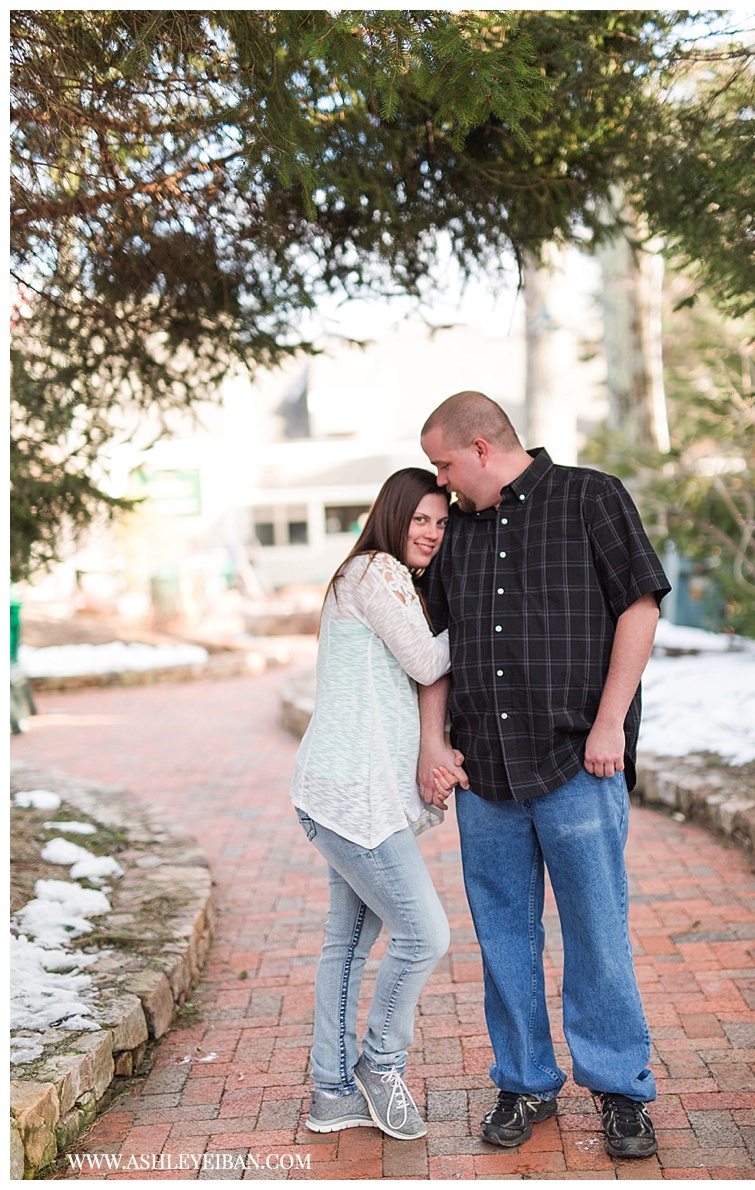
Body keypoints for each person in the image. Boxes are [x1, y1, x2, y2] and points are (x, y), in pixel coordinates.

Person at [416, 391, 671, 1159]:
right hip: (484, 775)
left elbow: (640, 608)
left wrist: (608, 725)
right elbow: (435, 647)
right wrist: (433, 741)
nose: (443, 481)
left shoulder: (590, 496)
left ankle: (622, 1091)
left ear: (483, 448)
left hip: (576, 762)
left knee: (597, 934)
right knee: (503, 940)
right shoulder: (456, 531)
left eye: (446, 463)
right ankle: (524, 1082)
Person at [290, 467, 463, 1142]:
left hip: (339, 793)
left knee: (348, 945)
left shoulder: (362, 578)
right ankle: (379, 1066)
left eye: (442, 523)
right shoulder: (376, 572)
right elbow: (426, 662)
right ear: (393, 517)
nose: (433, 533)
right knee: (426, 934)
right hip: (352, 798)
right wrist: (485, 610)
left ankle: (331, 1091)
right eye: (421, 519)